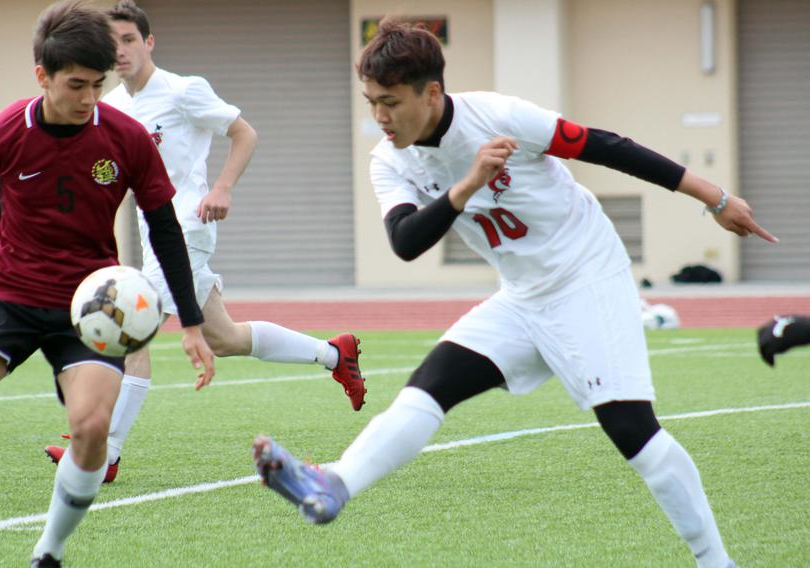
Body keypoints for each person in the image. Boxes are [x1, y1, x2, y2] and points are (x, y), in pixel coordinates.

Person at [252, 19, 778, 568]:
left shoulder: (499, 116)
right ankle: (334, 485)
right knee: (429, 387)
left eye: (390, 102)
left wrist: (716, 198)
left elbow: (605, 146)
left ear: (432, 93)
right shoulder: (390, 158)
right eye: (371, 103)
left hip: (587, 277)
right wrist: (467, 186)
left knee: (630, 429)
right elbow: (406, 242)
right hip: (523, 296)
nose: (380, 118)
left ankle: (716, 561)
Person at [0, 2, 215, 567]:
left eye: (99, 84)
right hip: (10, 296)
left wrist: (190, 321)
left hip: (92, 306)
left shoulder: (127, 138)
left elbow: (164, 228)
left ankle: (49, 550)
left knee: (92, 428)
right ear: (41, 75)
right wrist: (5, 252)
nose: (90, 98)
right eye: (77, 85)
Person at [43, 0, 366, 484]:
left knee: (132, 332)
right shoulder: (111, 106)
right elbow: (111, 173)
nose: (121, 50)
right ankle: (335, 354)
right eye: (112, 43)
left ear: (149, 42)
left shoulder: (183, 91)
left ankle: (105, 452)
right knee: (224, 337)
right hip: (153, 234)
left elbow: (244, 133)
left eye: (130, 39)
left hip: (187, 229)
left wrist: (222, 187)